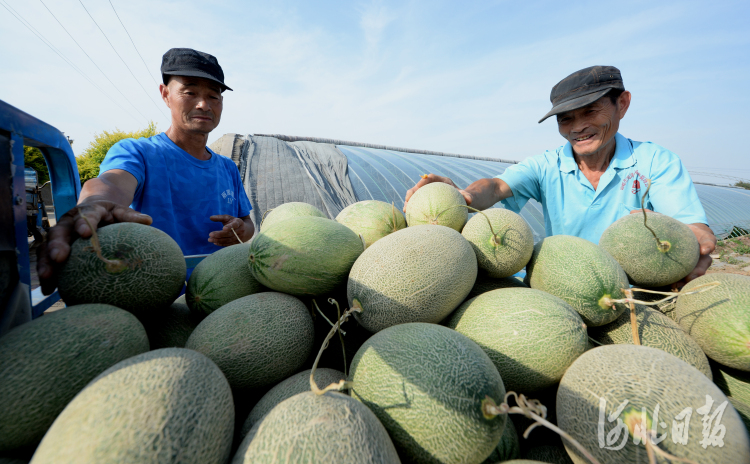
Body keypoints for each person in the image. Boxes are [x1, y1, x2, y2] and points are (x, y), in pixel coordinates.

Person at [404, 65, 715, 285]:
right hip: (558, 286)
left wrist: (695, 242)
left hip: (635, 293)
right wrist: (464, 196)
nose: (577, 127)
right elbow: (497, 186)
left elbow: (694, 228)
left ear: (622, 104)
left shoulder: (656, 162)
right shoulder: (546, 165)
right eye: (566, 119)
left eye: (591, 111)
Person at [38, 48, 253, 294]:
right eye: (190, 92)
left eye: (214, 96)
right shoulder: (138, 152)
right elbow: (112, 184)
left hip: (219, 292)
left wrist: (240, 229)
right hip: (154, 296)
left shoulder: (228, 168)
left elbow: (248, 224)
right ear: (165, 95)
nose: (204, 104)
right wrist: (95, 201)